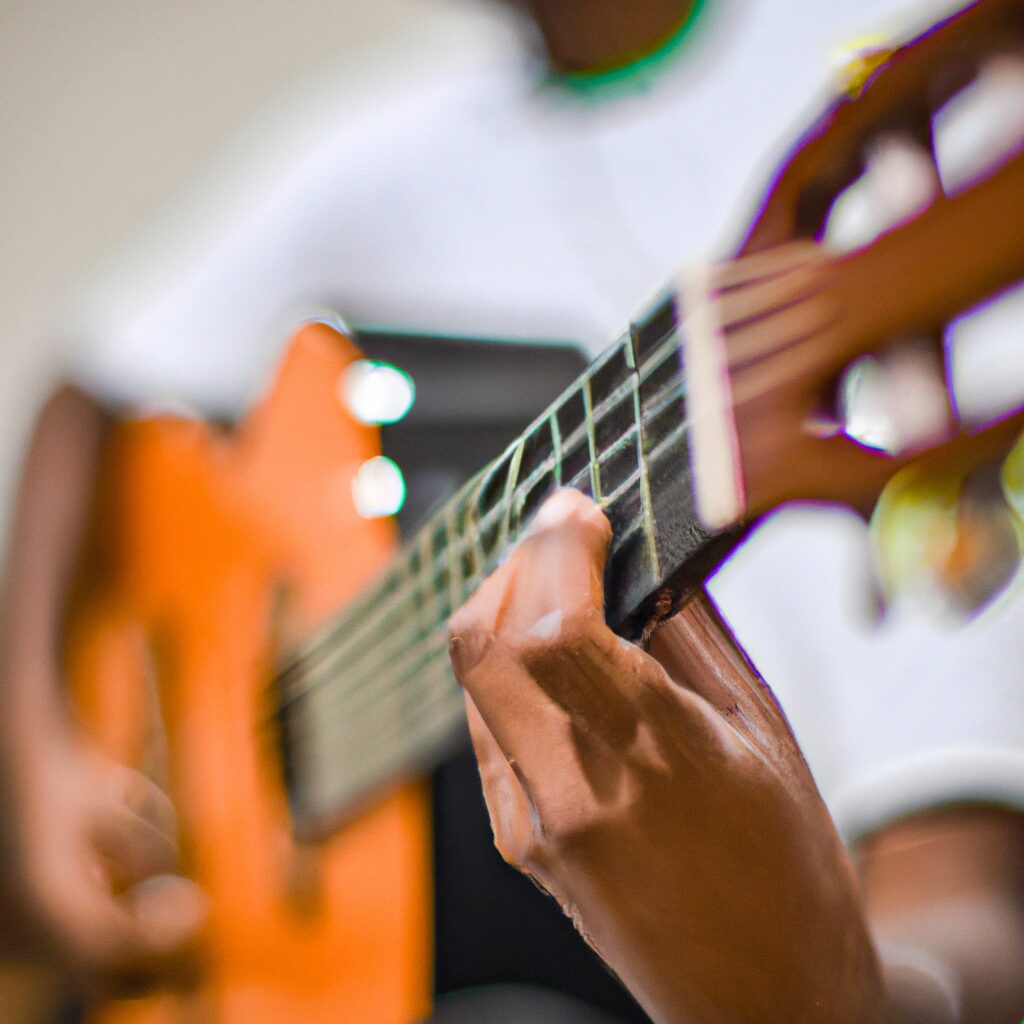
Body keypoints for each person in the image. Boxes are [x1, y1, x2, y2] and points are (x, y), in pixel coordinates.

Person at [6, 0, 1024, 1018]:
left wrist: (816, 993)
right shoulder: (408, 135)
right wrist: (38, 751)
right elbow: (93, 380)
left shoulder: (890, 70)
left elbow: (966, 914)